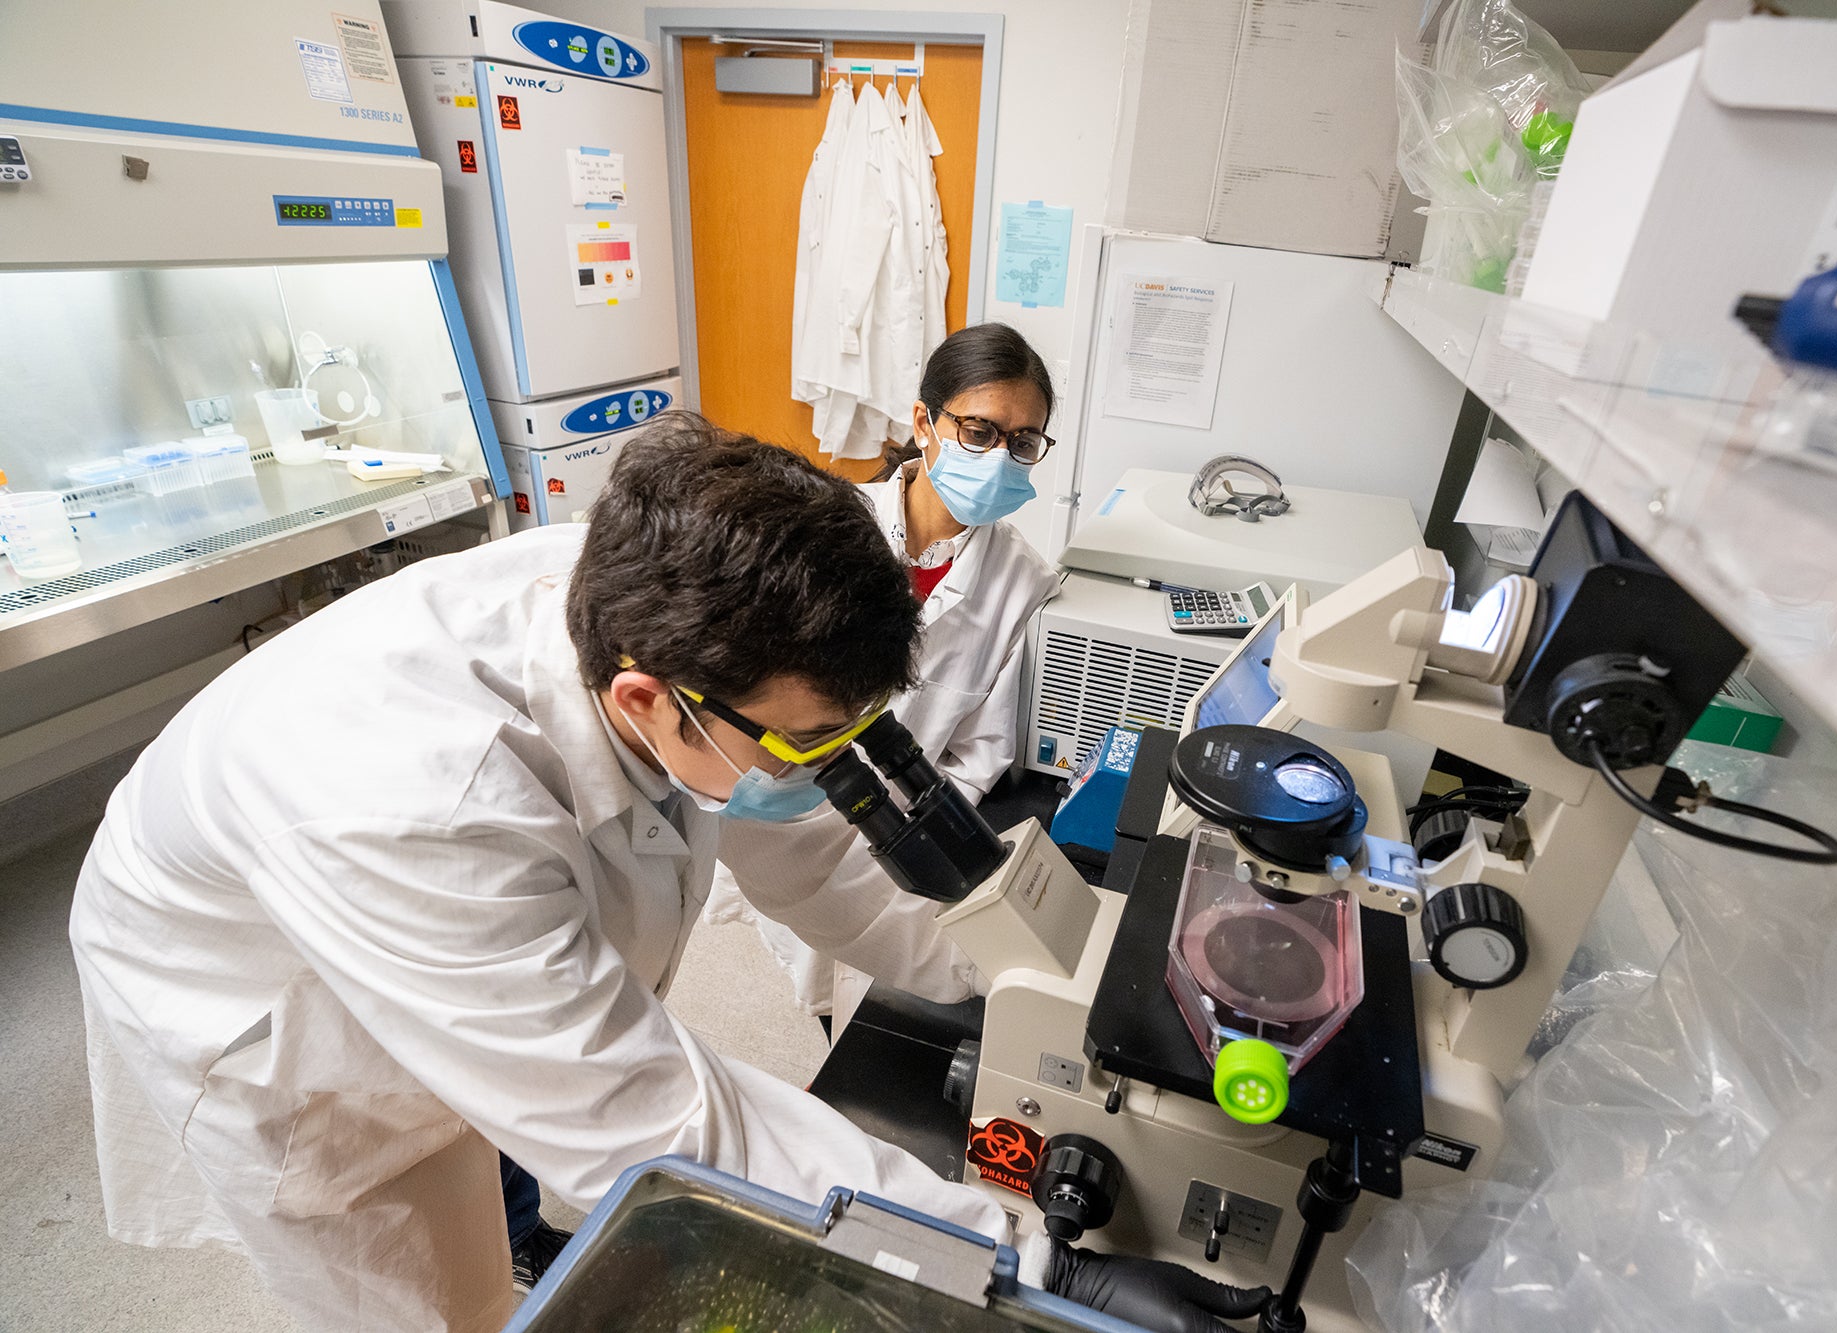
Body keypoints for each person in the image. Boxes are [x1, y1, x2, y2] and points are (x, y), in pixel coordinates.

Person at [69, 413, 1266, 1333]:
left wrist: (1063, 977)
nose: (832, 768)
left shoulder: (665, 616)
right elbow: (650, 1124)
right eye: (806, 741)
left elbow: (817, 859)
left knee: (514, 1135)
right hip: (270, 1010)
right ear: (647, 699)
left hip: (444, 917)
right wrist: (1039, 1262)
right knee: (426, 1295)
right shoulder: (416, 804)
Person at [709, 321, 1065, 1028]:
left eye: (1022, 442)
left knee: (872, 990)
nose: (1000, 457)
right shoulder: (828, 524)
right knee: (806, 964)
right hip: (782, 795)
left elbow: (982, 750)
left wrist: (906, 833)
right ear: (924, 422)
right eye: (980, 431)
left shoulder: (1026, 582)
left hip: (902, 823)